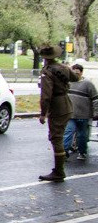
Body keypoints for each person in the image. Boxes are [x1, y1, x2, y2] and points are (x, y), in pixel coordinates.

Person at [37, 44, 74, 181]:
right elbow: (75, 78)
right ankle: (59, 170)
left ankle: (59, 171)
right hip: (67, 103)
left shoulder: (47, 72)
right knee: (57, 137)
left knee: (56, 138)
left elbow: (46, 96)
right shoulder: (64, 68)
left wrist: (43, 114)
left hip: (57, 107)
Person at [64, 63, 97, 162]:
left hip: (84, 115)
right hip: (70, 114)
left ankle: (82, 152)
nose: (75, 75)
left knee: (82, 135)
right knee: (68, 132)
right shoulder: (67, 83)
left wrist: (96, 113)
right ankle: (64, 152)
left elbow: (95, 99)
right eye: (73, 73)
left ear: (81, 73)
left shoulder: (88, 84)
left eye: (77, 73)